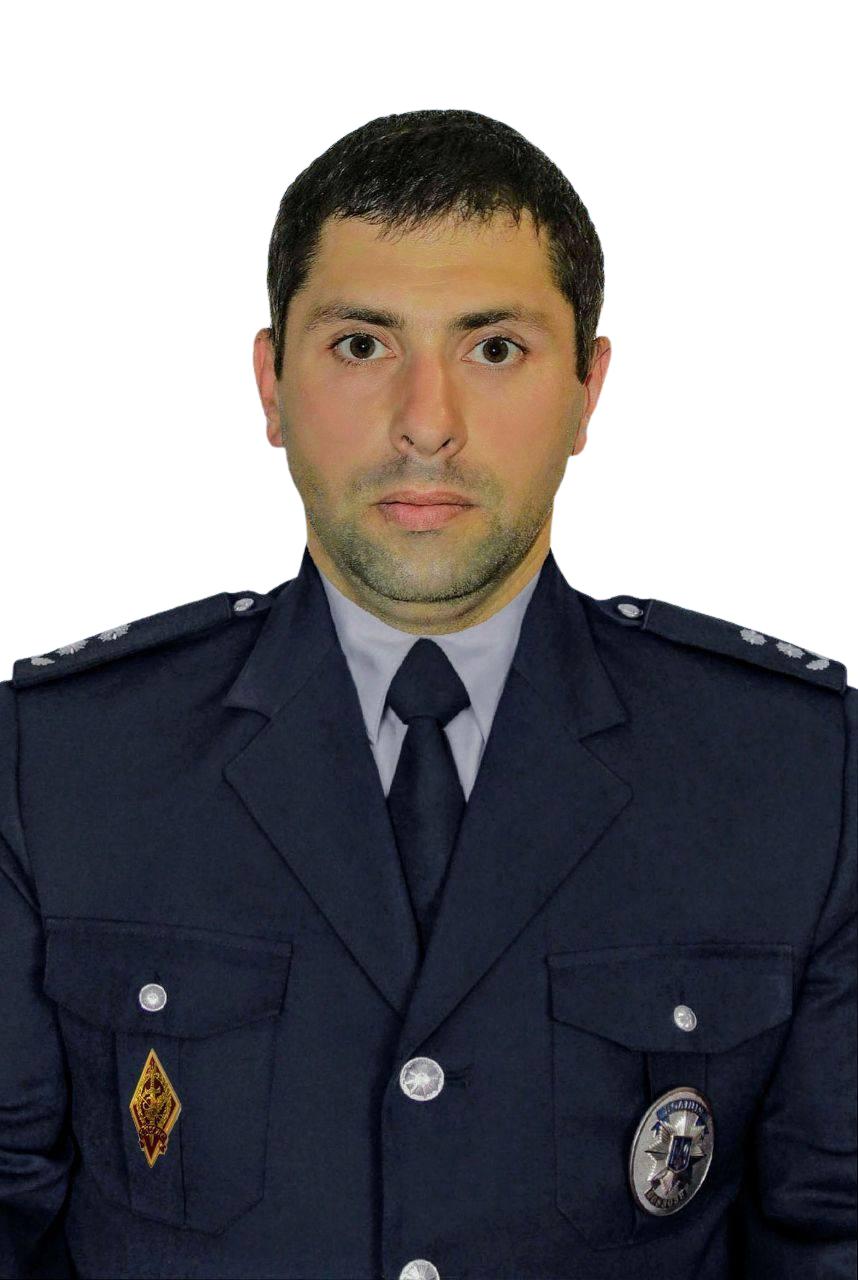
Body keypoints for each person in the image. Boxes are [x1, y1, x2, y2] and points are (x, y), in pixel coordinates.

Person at [1, 107, 855, 1280]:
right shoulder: (59, 767)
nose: (427, 423)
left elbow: (832, 1233)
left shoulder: (798, 777)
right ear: (271, 382)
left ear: (588, 389)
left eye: (493, 348)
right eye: (362, 344)